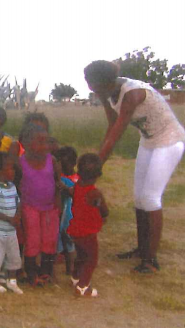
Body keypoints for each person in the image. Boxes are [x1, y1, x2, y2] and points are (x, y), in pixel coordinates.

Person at [84, 60, 185, 273]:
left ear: (102, 81)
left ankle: (151, 260)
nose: (88, 86)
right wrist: (96, 159)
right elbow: (112, 125)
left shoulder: (132, 94)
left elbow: (117, 133)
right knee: (139, 198)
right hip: (148, 141)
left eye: (89, 81)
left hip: (169, 140)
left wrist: (96, 166)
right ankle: (142, 249)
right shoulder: (106, 92)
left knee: (150, 197)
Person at [17, 123, 62, 286]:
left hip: (50, 208)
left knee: (50, 240)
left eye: (46, 142)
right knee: (33, 240)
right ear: (26, 144)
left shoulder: (53, 161)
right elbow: (17, 187)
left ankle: (46, 271)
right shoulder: (20, 163)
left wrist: (58, 203)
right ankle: (31, 271)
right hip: (29, 208)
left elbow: (57, 183)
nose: (45, 146)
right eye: (40, 142)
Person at [67, 154, 109, 297]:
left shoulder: (77, 186)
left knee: (81, 255)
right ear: (98, 174)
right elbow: (103, 210)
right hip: (88, 232)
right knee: (91, 259)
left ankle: (75, 276)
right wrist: (104, 216)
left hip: (75, 229)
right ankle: (83, 286)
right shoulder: (94, 193)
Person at [0, 152, 24, 295]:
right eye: (9, 168)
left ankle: (11, 281)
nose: (13, 171)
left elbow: (18, 202)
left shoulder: (12, 186)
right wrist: (8, 219)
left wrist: (18, 215)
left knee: (13, 256)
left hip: (11, 231)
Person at [53, 146, 79, 276]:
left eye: (65, 165)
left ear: (74, 163)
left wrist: (65, 188)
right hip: (59, 215)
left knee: (70, 243)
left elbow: (78, 194)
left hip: (71, 217)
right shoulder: (58, 177)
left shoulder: (77, 178)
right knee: (56, 238)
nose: (62, 168)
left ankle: (70, 268)